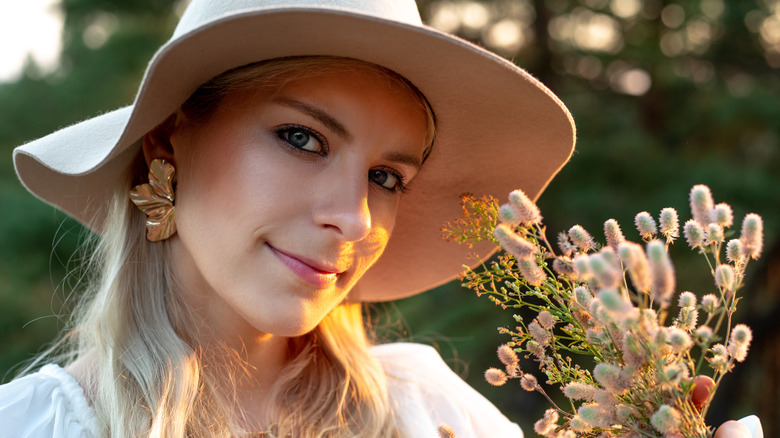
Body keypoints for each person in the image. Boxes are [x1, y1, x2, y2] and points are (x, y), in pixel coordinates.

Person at [0, 0, 760, 437]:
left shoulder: (427, 414)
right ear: (169, 141)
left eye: (387, 177)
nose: (356, 217)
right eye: (302, 138)